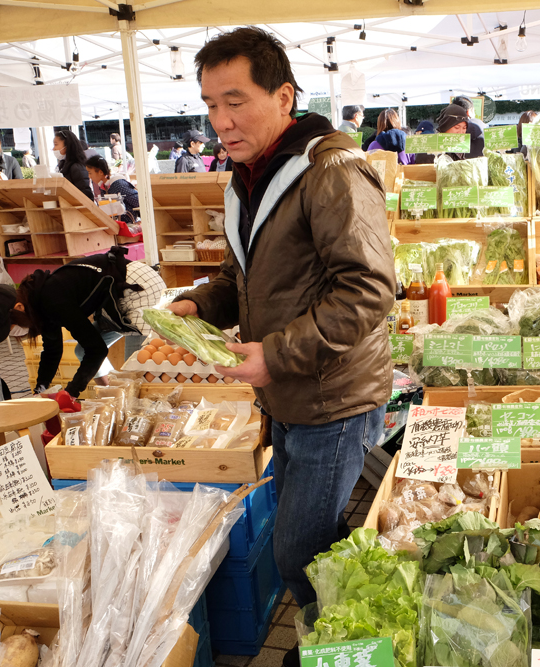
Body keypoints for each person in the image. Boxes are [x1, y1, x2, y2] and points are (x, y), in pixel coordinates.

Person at [171, 28, 393, 636]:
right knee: (308, 549)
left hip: (333, 398)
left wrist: (276, 353)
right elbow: (239, 275)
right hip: (288, 395)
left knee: (300, 553)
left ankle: (345, 643)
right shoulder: (249, 176)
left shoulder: (331, 171)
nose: (220, 119)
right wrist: (200, 305)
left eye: (235, 100)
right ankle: (331, 639)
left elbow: (368, 289)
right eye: (211, 104)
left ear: (284, 96)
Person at [0, 246, 165, 395]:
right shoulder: (36, 302)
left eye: (10, 326)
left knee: (137, 361)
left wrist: (71, 392)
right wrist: (40, 390)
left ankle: (143, 401)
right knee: (81, 350)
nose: (14, 332)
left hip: (139, 288)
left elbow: (97, 349)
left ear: (18, 308)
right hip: (115, 299)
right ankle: (112, 393)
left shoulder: (52, 299)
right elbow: (52, 350)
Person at [86, 155, 140, 227]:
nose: (89, 176)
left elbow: (139, 202)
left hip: (129, 226)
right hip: (117, 226)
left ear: (100, 172)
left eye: (90, 173)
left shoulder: (118, 184)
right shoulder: (103, 186)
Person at [53, 130, 94, 200]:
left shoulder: (77, 167)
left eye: (56, 144)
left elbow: (85, 193)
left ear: (67, 145)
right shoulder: (63, 164)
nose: (54, 148)